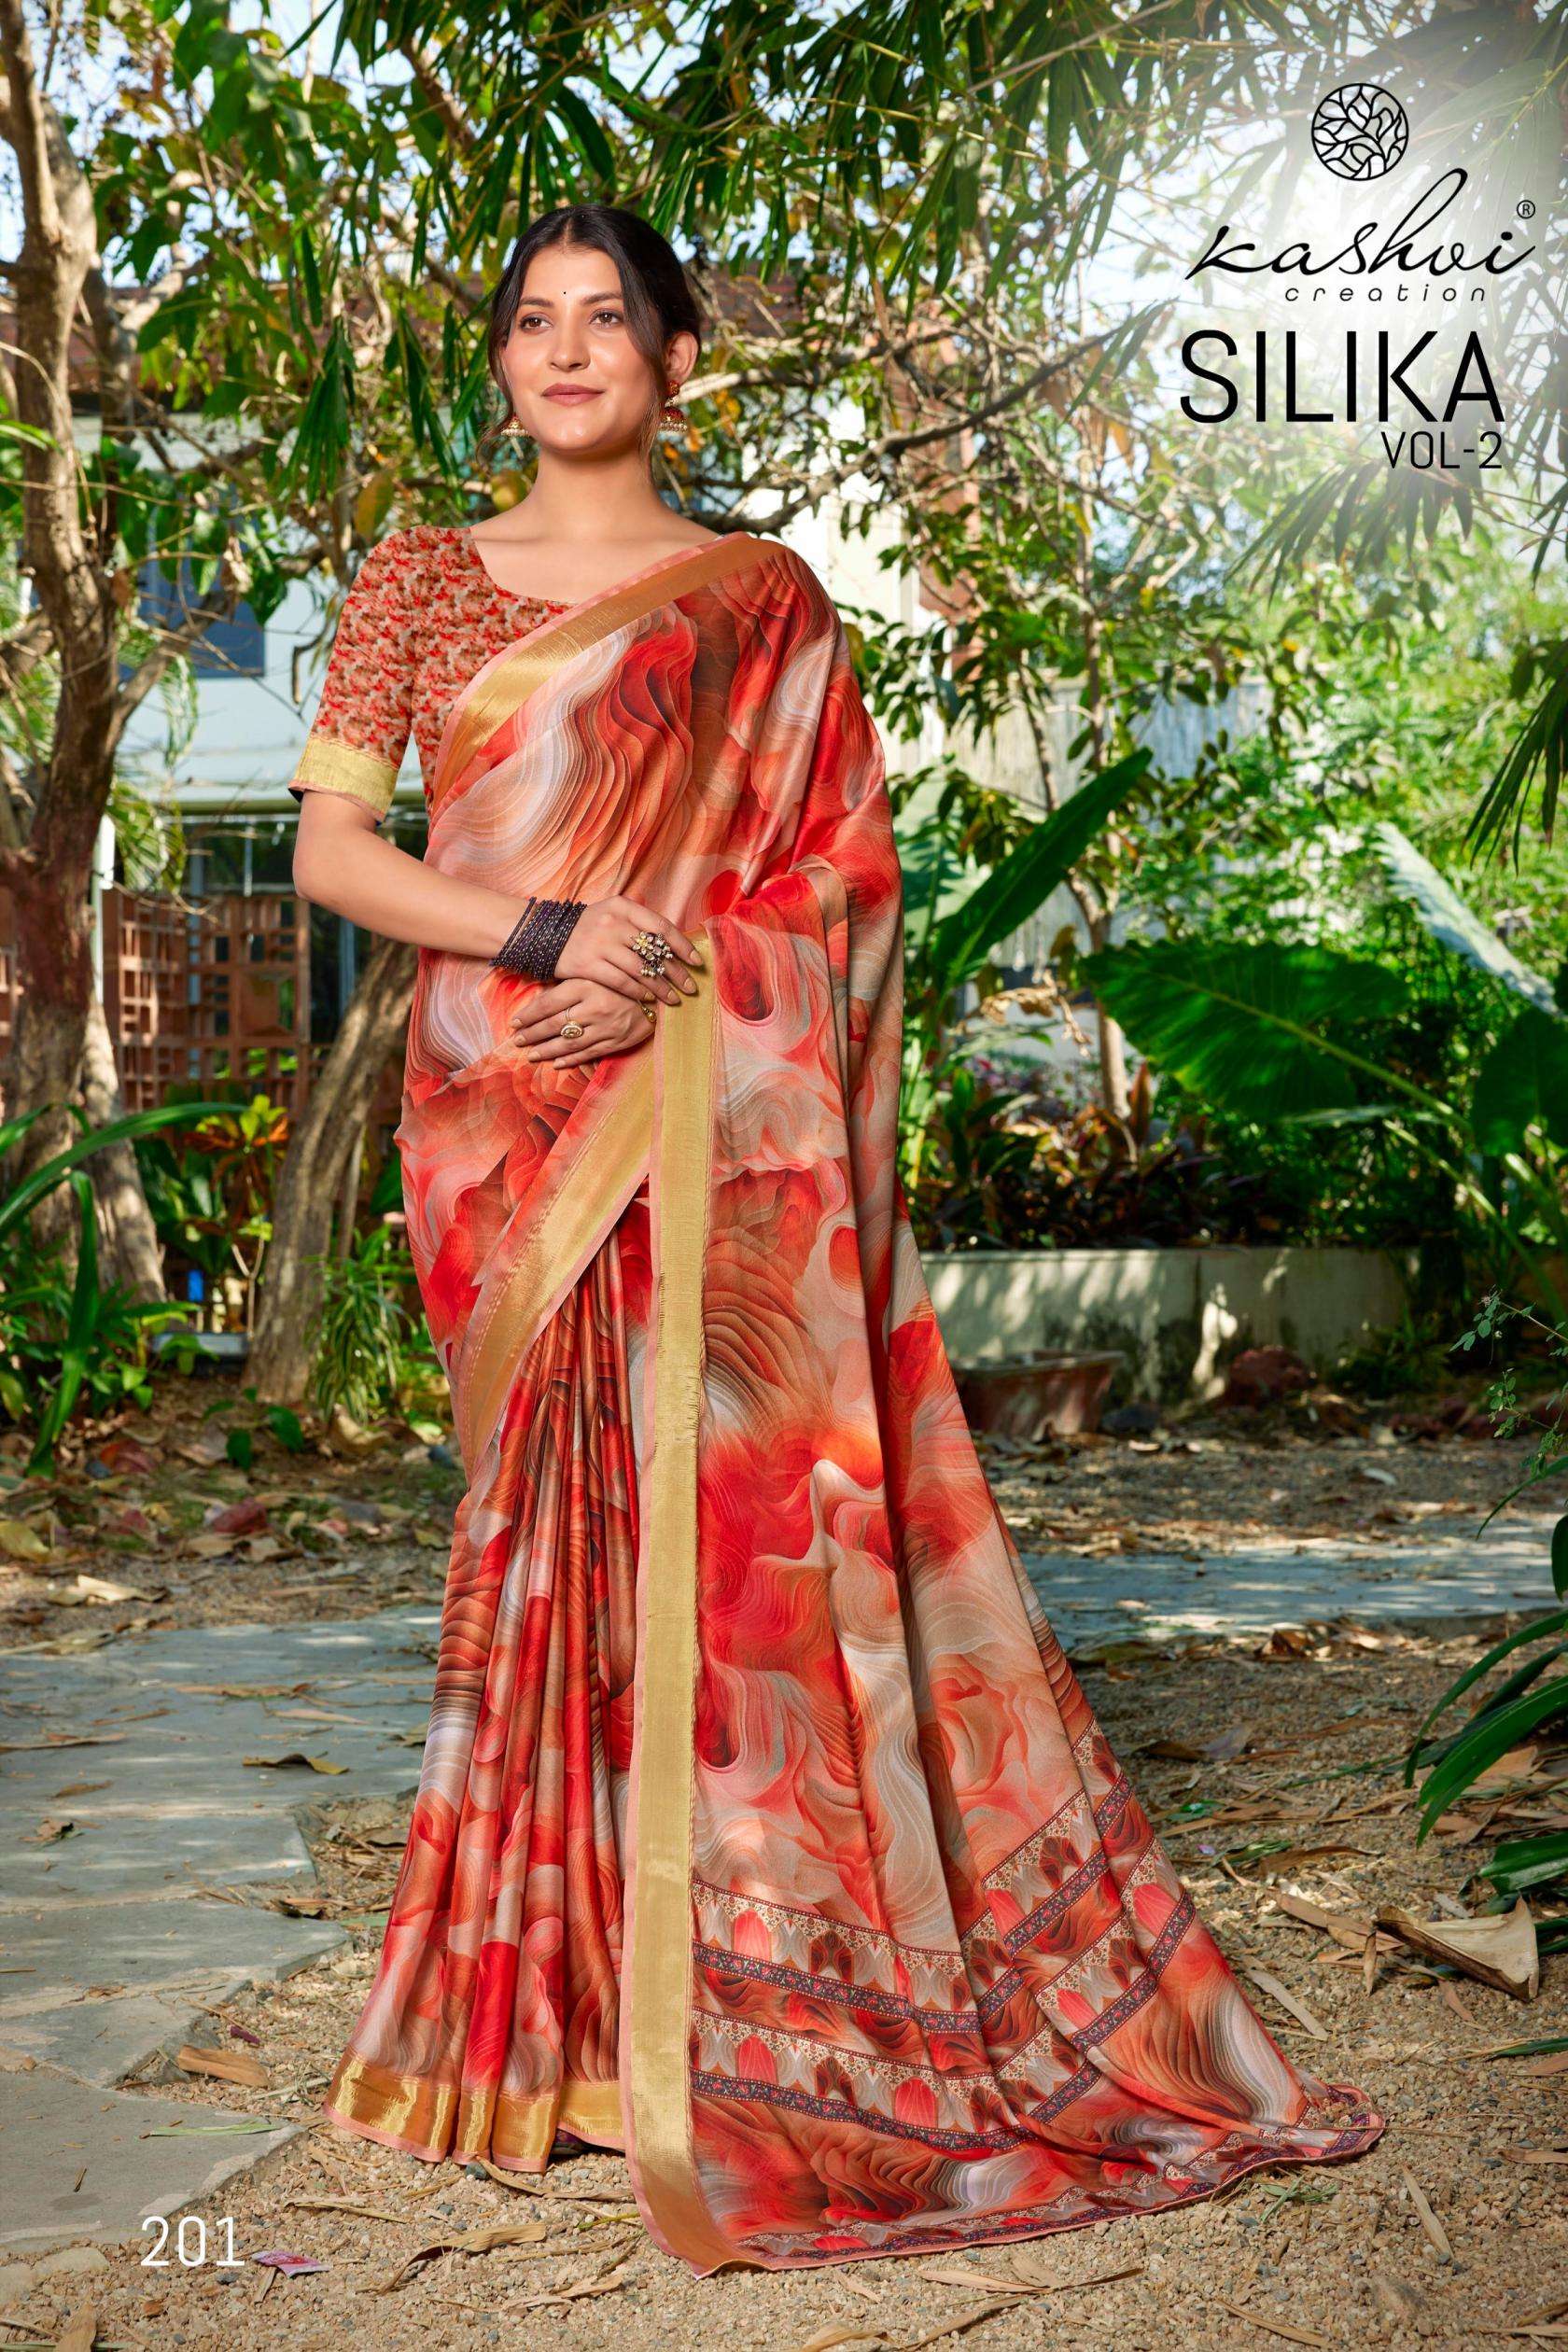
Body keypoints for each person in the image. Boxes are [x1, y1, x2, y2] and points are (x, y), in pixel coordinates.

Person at [287, 201, 1382, 2278]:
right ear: (501, 363)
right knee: (548, 1541)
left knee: (720, 1534)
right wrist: (549, 934)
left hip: (701, 1096)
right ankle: (544, 2015)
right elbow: (339, 854)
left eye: (609, 318)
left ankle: (730, 2009)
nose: (566, 349)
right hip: (507, 1122)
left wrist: (684, 974)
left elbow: (844, 886)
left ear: (677, 360)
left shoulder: (767, 602)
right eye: (533, 321)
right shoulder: (417, 578)